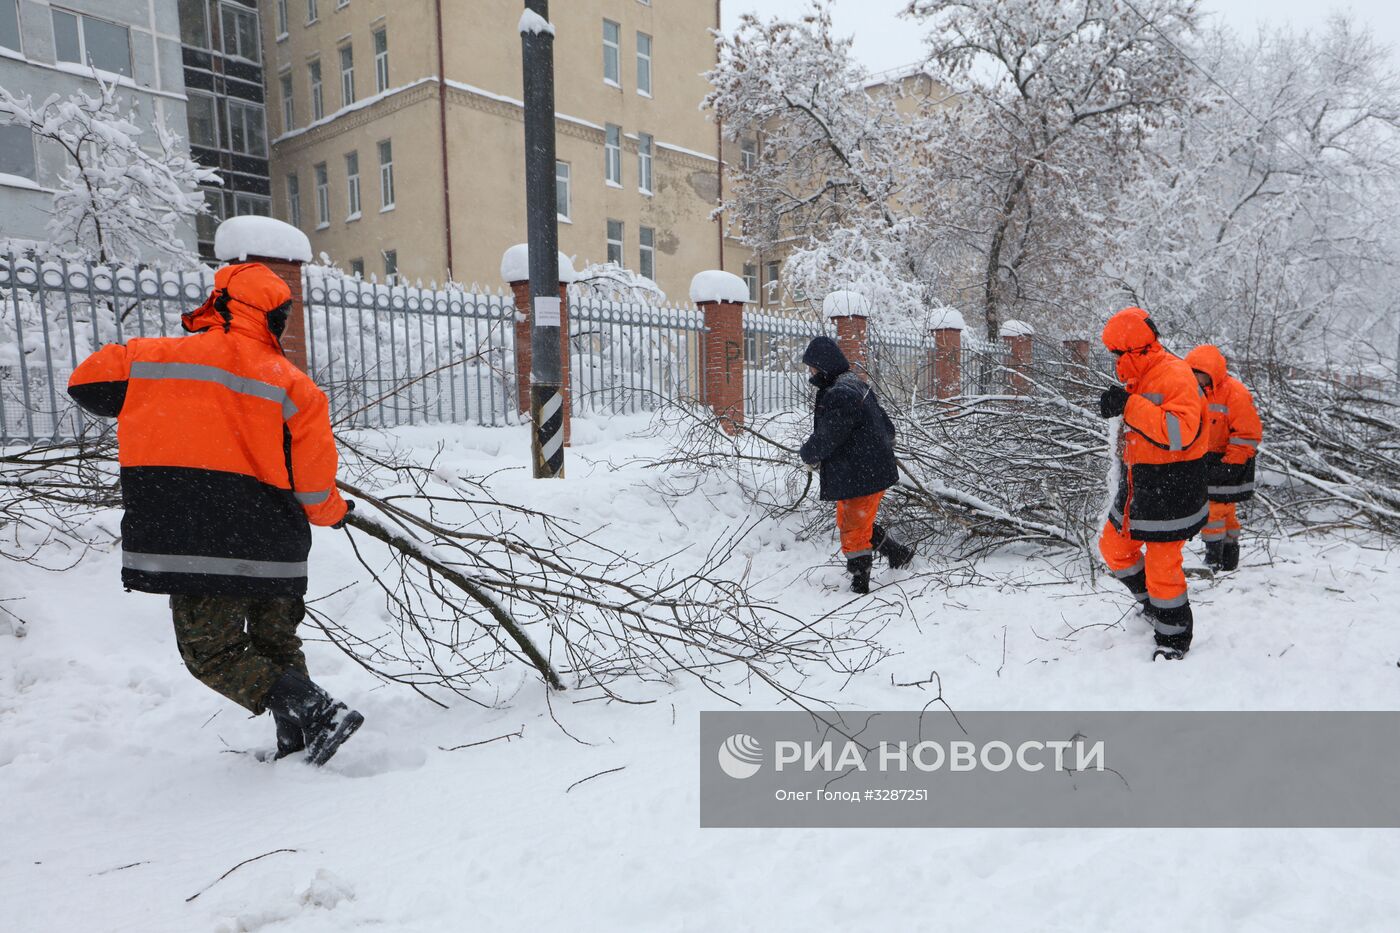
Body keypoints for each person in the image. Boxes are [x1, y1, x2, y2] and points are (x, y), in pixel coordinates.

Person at [67, 262, 363, 765]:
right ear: (275, 317)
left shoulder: (150, 360)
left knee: (212, 651)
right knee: (276, 640)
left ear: (218, 302)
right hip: (273, 543)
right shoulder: (293, 386)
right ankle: (301, 743)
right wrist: (334, 511)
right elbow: (314, 485)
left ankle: (316, 712)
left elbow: (85, 384)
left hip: (194, 537)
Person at [1097, 307, 1209, 661]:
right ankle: (1152, 604)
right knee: (1113, 547)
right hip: (1140, 482)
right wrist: (1121, 403)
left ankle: (1173, 637)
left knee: (1164, 566)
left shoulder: (1174, 374)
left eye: (1117, 354)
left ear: (1134, 350)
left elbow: (1180, 432)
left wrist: (1129, 406)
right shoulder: (1142, 375)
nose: (1114, 362)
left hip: (1173, 486)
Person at [798, 336, 913, 594]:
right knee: (855, 520)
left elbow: (830, 435)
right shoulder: (853, 384)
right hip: (867, 469)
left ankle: (860, 584)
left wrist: (809, 453)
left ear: (823, 365)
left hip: (861, 473)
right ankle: (898, 554)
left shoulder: (841, 393)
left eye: (813, 367)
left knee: (853, 528)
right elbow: (888, 426)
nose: (811, 372)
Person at [1184, 345, 1262, 572]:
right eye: (1191, 373)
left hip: (1230, 461)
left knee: (1214, 510)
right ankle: (1229, 556)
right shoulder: (1194, 392)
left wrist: (1231, 463)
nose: (1195, 378)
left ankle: (1214, 557)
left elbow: (1247, 434)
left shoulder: (1234, 392)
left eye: (1198, 373)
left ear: (1211, 372)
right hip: (1209, 460)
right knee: (1225, 509)